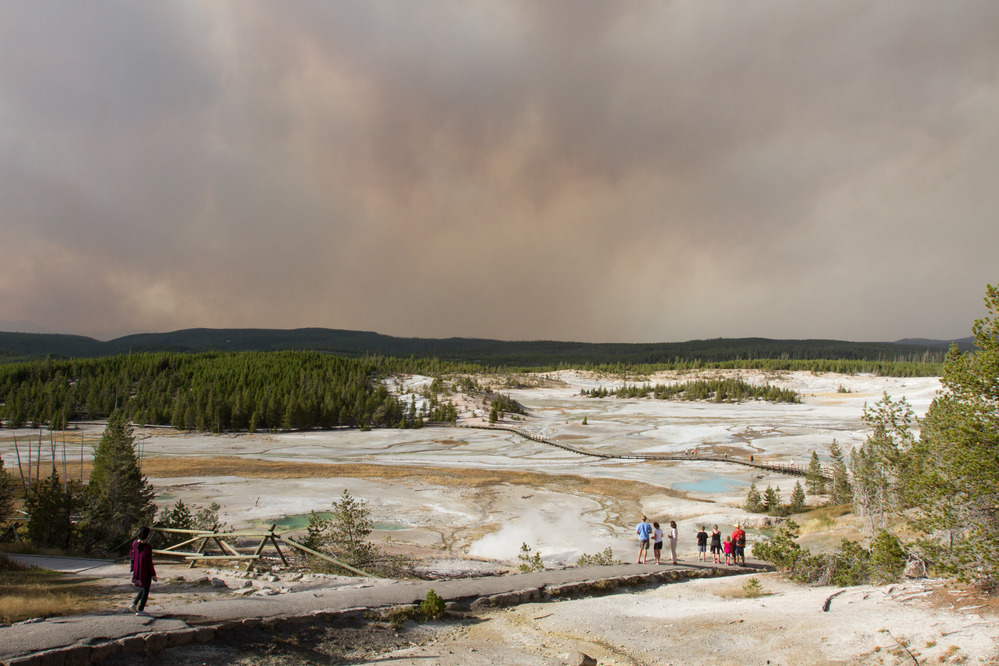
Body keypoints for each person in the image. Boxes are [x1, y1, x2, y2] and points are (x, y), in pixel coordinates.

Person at [129, 526, 157, 614]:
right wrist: (153, 574)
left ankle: (134, 604)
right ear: (147, 535)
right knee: (146, 589)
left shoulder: (134, 544)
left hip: (137, 569)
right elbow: (149, 562)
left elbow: (131, 555)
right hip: (145, 570)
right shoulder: (148, 547)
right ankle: (141, 609)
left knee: (143, 587)